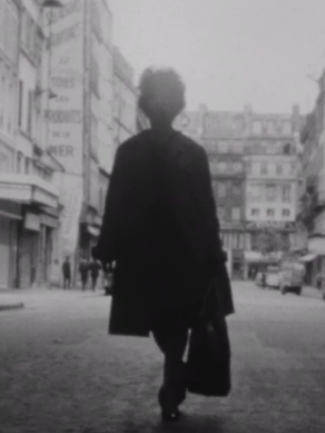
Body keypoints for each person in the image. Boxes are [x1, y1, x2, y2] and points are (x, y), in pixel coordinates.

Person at [93, 67, 233, 423]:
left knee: (163, 319)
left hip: (149, 256)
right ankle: (176, 373)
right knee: (175, 320)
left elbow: (115, 204)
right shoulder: (191, 153)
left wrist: (108, 246)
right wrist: (213, 253)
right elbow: (206, 210)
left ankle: (173, 379)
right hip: (183, 254)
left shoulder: (131, 151)